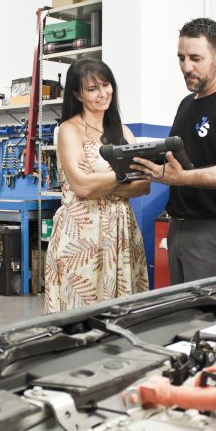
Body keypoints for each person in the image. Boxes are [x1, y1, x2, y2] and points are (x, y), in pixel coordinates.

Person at [132, 17, 216, 284]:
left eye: (195, 58)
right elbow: (177, 161)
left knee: (213, 317)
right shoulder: (186, 104)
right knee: (186, 315)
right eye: (181, 58)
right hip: (180, 227)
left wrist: (183, 178)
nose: (186, 67)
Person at [44, 58, 150, 313]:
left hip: (121, 233)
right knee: (80, 313)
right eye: (92, 89)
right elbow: (82, 187)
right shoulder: (69, 130)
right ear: (77, 94)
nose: (103, 93)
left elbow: (145, 184)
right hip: (81, 235)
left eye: (106, 85)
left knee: (122, 314)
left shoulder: (122, 132)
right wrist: (125, 176)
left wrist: (99, 183)